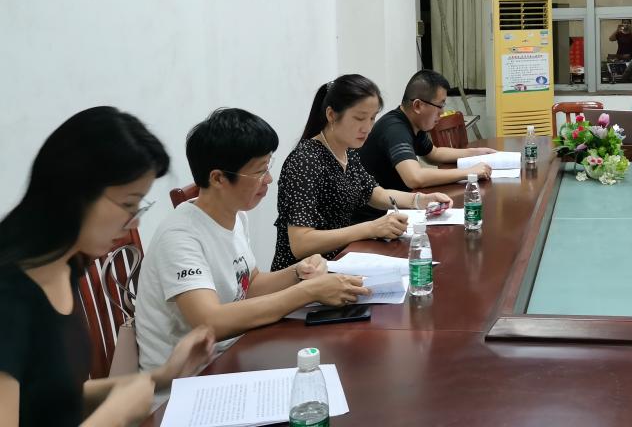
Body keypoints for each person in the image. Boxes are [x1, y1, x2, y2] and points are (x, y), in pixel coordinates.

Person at [0, 107, 215, 427]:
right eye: (128, 204)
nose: (135, 221)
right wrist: (115, 415)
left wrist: (163, 376)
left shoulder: (65, 267)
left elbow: (53, 396)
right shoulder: (8, 298)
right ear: (73, 193)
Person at [135, 108, 372, 372]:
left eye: (268, 167)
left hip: (234, 353)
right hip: (186, 380)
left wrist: (299, 272)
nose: (268, 179)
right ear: (218, 178)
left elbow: (249, 283)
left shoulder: (235, 215)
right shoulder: (180, 237)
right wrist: (308, 292)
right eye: (259, 171)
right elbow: (209, 322)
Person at [273, 75, 454, 268]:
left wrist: (420, 200)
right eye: (359, 118)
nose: (367, 127)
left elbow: (375, 193)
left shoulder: (348, 152)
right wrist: (371, 228)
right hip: (305, 274)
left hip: (340, 261)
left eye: (372, 118)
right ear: (331, 115)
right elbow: (300, 243)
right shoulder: (305, 161)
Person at [356, 70, 495, 206]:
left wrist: (476, 152)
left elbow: (434, 154)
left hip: (401, 203)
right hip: (379, 213)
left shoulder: (414, 123)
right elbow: (414, 178)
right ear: (418, 106)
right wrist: (469, 172)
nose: (442, 112)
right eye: (440, 105)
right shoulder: (395, 129)